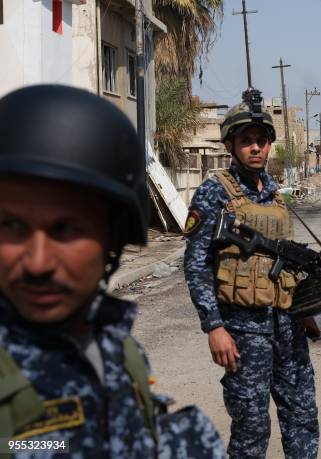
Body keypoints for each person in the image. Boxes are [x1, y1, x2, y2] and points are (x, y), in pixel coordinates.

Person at [0, 85, 224, 458]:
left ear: (113, 240)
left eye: (66, 230)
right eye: (10, 226)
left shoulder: (116, 347)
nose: (38, 262)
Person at [184, 88, 319, 459]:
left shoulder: (275, 194)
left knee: (302, 415)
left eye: (262, 141)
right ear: (231, 145)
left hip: (288, 328)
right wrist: (214, 327)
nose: (256, 148)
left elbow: (285, 264)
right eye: (247, 141)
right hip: (243, 330)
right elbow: (196, 263)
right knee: (251, 427)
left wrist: (304, 311)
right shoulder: (214, 193)